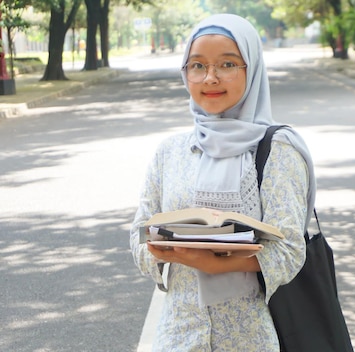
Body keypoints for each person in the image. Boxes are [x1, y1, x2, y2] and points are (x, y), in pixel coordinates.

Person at [129, 13, 317, 351]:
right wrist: (164, 250)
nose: (210, 78)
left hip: (247, 337)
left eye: (227, 64)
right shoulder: (170, 152)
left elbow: (290, 251)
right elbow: (138, 239)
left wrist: (219, 262)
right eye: (197, 66)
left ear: (252, 69)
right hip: (178, 335)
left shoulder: (278, 150)